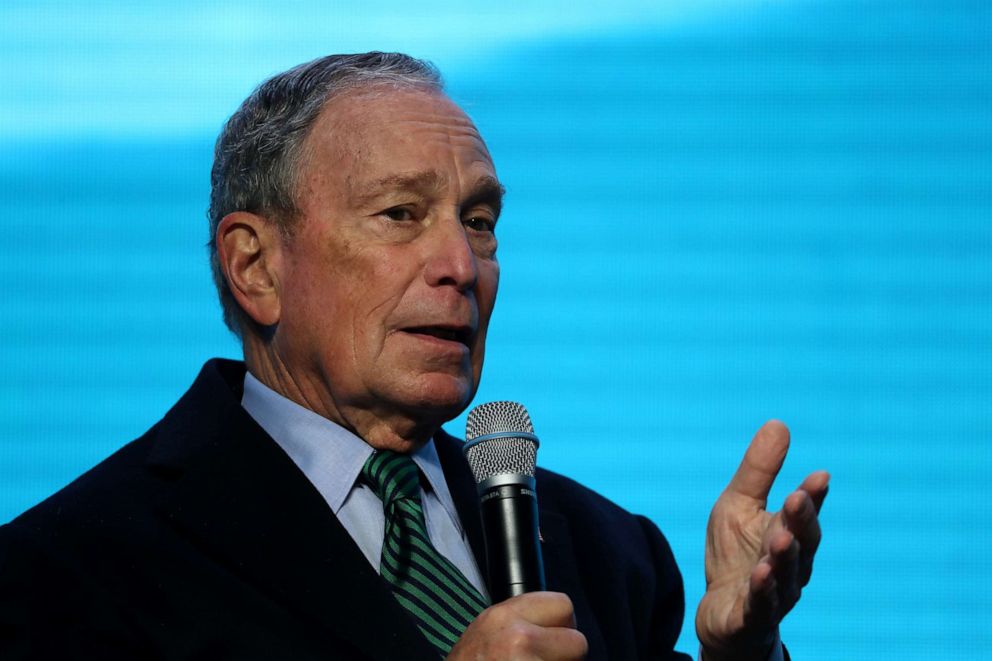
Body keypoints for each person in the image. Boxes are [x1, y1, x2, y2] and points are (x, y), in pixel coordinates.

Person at [0, 53, 829, 660]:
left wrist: (740, 654)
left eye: (478, 220)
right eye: (401, 214)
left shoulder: (605, 551)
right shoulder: (68, 573)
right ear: (256, 266)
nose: (462, 267)